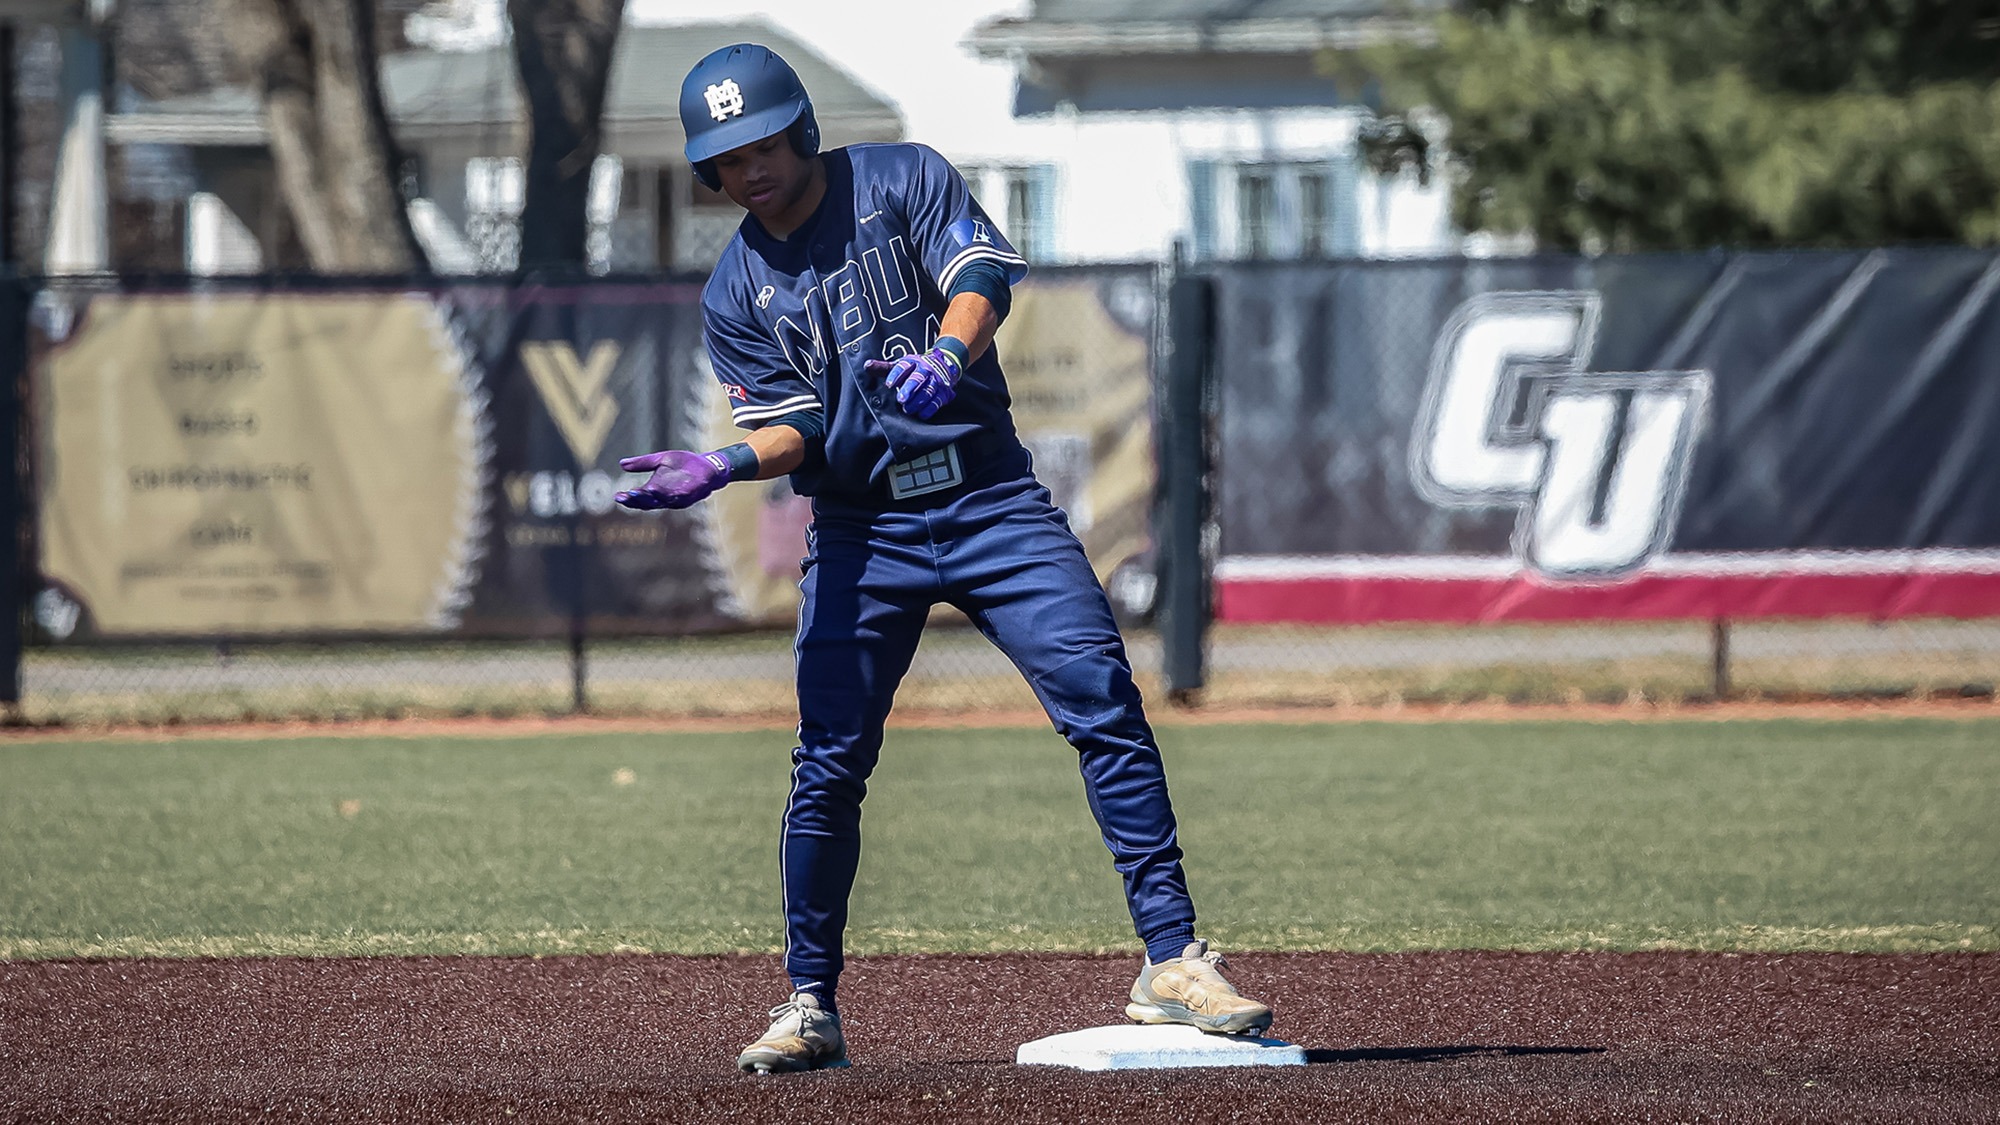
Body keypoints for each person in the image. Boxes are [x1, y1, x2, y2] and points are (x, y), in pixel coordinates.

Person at [617, 43, 1272, 1075]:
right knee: (828, 760)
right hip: (860, 533)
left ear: (801, 128)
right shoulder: (734, 289)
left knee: (1101, 699)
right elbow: (796, 432)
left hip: (989, 501)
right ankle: (808, 1003)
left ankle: (1172, 961)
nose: (748, 169)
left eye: (761, 143)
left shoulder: (901, 175)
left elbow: (977, 278)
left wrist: (948, 354)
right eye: (725, 158)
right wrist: (722, 462)